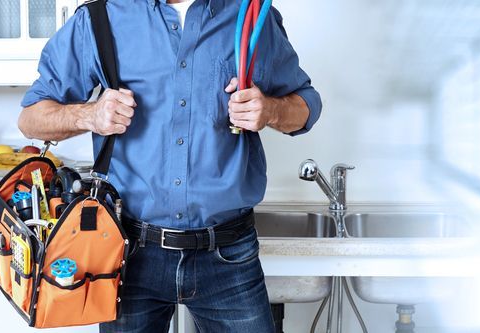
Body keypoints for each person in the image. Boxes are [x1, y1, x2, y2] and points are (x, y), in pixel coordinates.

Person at [17, 0, 322, 331]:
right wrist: (89, 114)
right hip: (128, 252)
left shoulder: (249, 15)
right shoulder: (99, 19)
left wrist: (271, 110)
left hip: (228, 255)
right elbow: (31, 117)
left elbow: (306, 105)